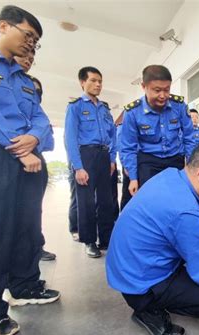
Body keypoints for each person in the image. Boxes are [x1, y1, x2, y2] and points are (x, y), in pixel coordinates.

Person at [106, 141, 199, 335]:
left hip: (133, 268)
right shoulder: (184, 212)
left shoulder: (172, 176)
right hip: (144, 287)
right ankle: (150, 310)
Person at [0, 5, 60, 335]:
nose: (32, 45)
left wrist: (35, 138)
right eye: (29, 36)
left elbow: (41, 119)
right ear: (4, 26)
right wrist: (23, 148)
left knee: (28, 228)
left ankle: (24, 285)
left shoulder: (25, 80)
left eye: (36, 42)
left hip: (29, 159)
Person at [64, 66, 116, 258]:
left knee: (106, 200)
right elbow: (70, 138)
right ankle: (89, 241)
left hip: (104, 156)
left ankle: (106, 238)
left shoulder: (105, 108)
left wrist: (112, 159)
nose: (98, 84)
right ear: (82, 82)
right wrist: (78, 167)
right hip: (85, 155)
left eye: (100, 81)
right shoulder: (75, 106)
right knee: (85, 201)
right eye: (93, 80)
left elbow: (113, 135)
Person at [120, 65, 196, 196]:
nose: (163, 95)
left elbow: (189, 137)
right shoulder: (132, 112)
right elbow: (128, 147)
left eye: (167, 90)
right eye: (157, 90)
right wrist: (133, 178)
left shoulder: (179, 106)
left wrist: (191, 166)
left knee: (176, 198)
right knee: (152, 199)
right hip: (149, 162)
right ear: (144, 87)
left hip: (175, 159)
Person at [14, 50, 56, 262]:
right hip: (10, 154)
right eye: (24, 57)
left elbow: (47, 137)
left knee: (32, 211)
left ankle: (34, 249)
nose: (28, 61)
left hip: (36, 157)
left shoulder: (34, 108)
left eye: (32, 59)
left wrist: (35, 138)